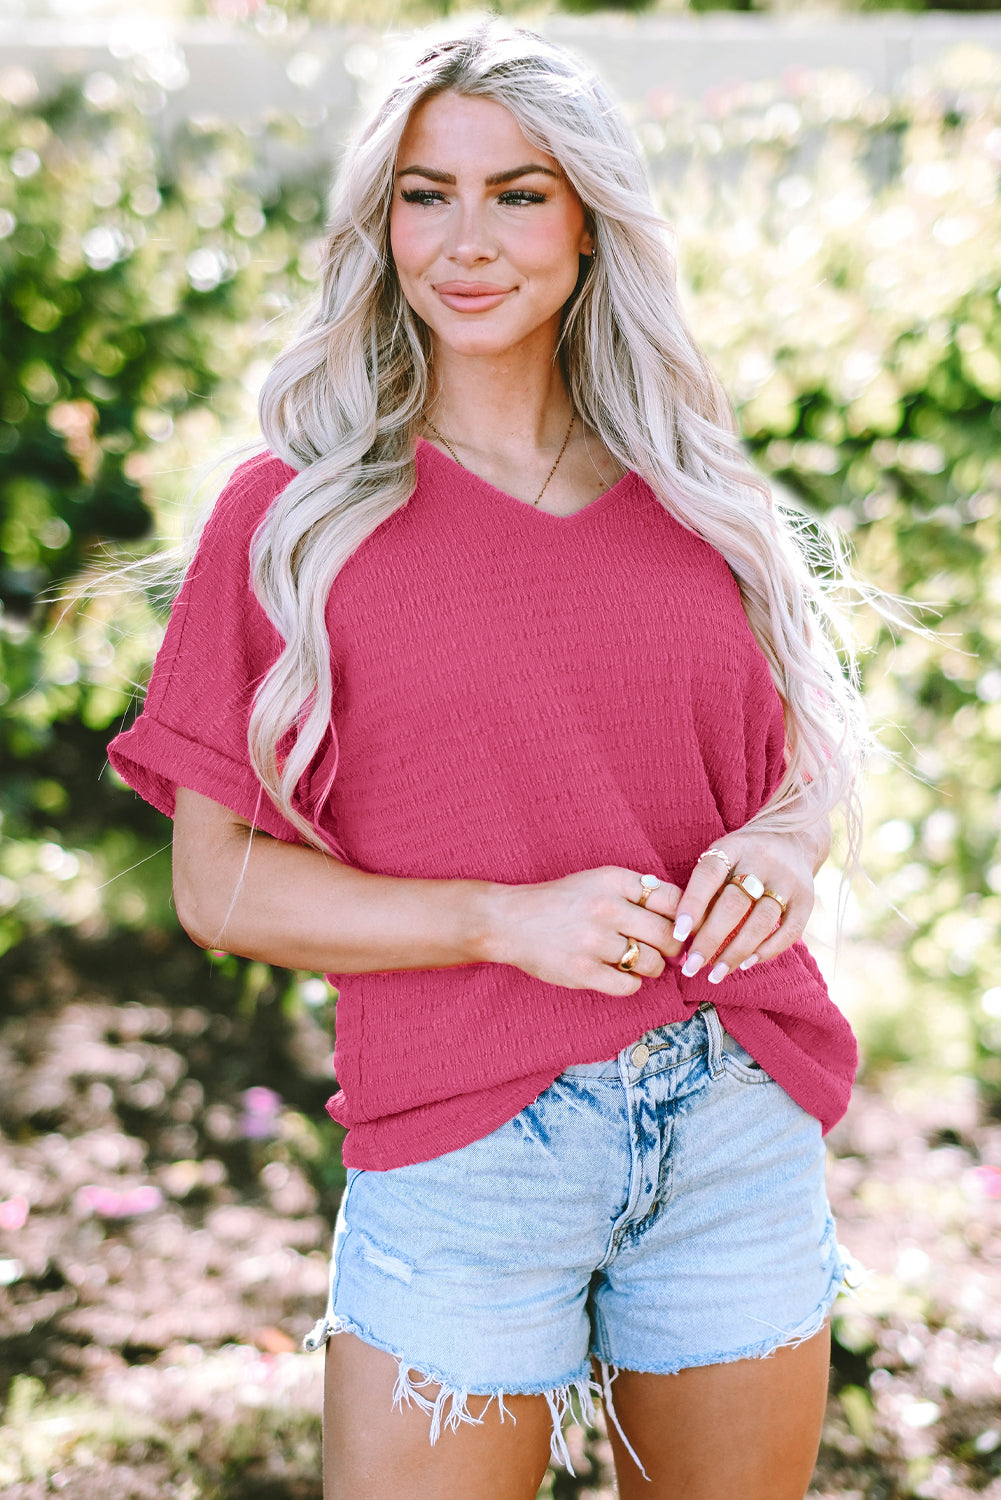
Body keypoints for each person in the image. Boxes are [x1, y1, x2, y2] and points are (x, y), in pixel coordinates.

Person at [108, 18, 868, 1500]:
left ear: (588, 228)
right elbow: (216, 887)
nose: (466, 239)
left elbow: (789, 768)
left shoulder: (688, 491)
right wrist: (497, 920)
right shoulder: (290, 519)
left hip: (729, 1120)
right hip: (467, 1146)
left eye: (518, 193)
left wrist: (782, 848)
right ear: (377, 220)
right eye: (423, 192)